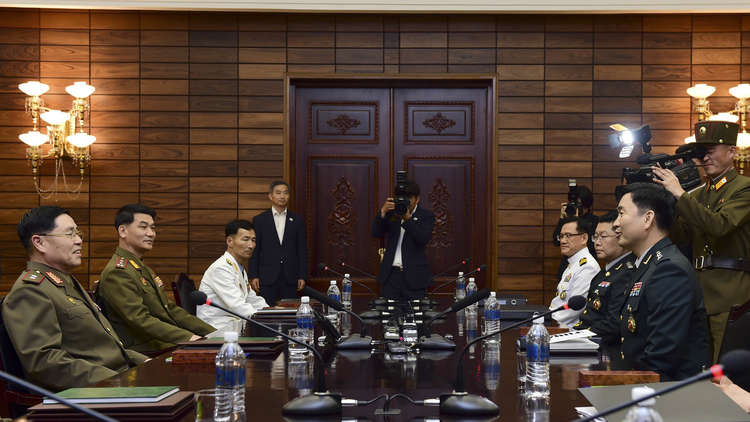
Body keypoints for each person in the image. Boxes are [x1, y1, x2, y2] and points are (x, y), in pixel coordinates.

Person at [2, 206, 147, 391]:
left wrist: (147, 363)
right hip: (94, 392)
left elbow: (106, 349)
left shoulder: (63, 282)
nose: (78, 240)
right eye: (70, 234)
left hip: (116, 381)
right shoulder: (30, 291)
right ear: (39, 243)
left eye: (78, 234)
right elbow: (45, 363)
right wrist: (118, 381)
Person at [653, 120, 750, 362]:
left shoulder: (744, 188)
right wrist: (667, 204)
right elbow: (681, 238)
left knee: (723, 369)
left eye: (711, 151)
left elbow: (719, 226)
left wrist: (680, 195)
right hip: (698, 292)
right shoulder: (698, 194)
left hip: (730, 293)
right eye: (701, 152)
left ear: (732, 151)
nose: (705, 158)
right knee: (698, 366)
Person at [613, 183, 710, 380]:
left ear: (648, 219)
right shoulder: (648, 264)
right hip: (642, 380)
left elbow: (661, 357)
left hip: (666, 390)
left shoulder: (669, 269)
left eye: (621, 214)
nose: (615, 223)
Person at [96, 204, 215, 354]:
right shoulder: (117, 272)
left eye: (153, 228)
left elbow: (171, 310)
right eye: (143, 227)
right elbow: (140, 319)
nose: (151, 233)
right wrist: (189, 338)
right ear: (123, 231)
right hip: (145, 352)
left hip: (164, 344)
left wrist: (213, 333)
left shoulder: (141, 268)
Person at [573, 210, 634, 353]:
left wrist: (577, 336)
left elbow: (613, 324)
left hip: (606, 349)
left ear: (621, 236)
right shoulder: (604, 272)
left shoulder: (627, 272)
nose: (597, 242)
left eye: (603, 236)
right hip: (589, 342)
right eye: (595, 237)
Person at [197, 219, 268, 335]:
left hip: (233, 328)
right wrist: (268, 319)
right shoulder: (221, 268)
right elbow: (237, 305)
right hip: (217, 330)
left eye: (253, 240)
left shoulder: (237, 267)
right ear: (230, 241)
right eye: (246, 239)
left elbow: (252, 299)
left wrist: (272, 312)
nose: (251, 245)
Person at [372, 179, 435, 300]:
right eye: (402, 197)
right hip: (391, 276)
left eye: (409, 197)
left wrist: (407, 218)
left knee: (415, 311)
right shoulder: (392, 214)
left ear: (417, 199)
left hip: (415, 277)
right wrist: (383, 212)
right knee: (388, 310)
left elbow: (422, 238)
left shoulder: (426, 216)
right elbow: (376, 233)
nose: (405, 201)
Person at [249, 181, 308, 306]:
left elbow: (302, 250)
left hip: (291, 277)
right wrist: (253, 275)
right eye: (278, 193)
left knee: (289, 311)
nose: (282, 196)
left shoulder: (297, 220)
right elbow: (255, 249)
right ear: (270, 196)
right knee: (267, 311)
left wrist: (302, 276)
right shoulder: (259, 220)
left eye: (285, 193)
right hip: (267, 277)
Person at [550, 216, 600, 327]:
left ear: (584, 238)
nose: (563, 241)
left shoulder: (587, 266)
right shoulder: (573, 263)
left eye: (568, 236)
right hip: (559, 326)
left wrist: (546, 322)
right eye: (561, 236)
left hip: (569, 330)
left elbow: (572, 310)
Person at [552, 184, 598, 280]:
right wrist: (562, 219)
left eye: (579, 205)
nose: (577, 208)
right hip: (567, 267)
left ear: (587, 205)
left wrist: (577, 222)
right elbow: (556, 241)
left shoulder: (595, 221)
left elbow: (592, 245)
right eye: (575, 205)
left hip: (584, 267)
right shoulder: (567, 221)